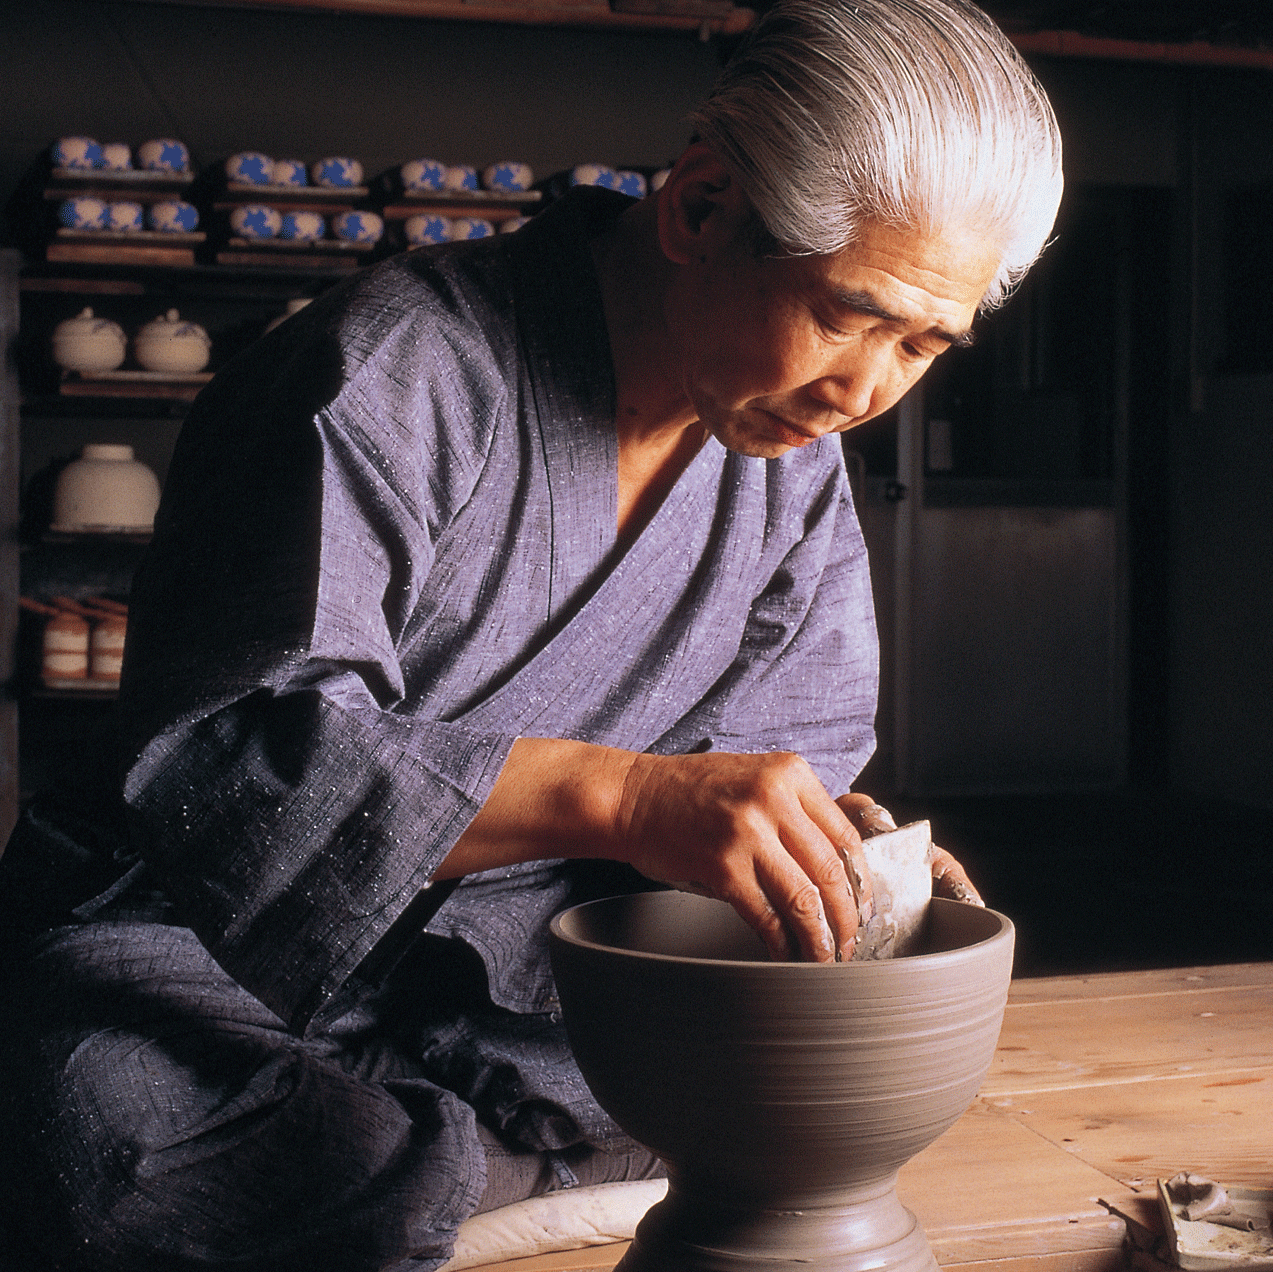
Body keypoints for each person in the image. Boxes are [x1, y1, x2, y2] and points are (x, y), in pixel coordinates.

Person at [0, 0, 1063, 1268]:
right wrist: (620, 794)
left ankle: (427, 1168)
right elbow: (232, 766)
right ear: (703, 207)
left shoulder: (787, 451)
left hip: (519, 963)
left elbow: (776, 759)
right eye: (847, 315)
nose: (866, 393)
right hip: (201, 941)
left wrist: (829, 860)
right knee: (120, 1136)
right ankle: (480, 1167)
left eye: (924, 344)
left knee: (782, 1060)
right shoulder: (383, 375)